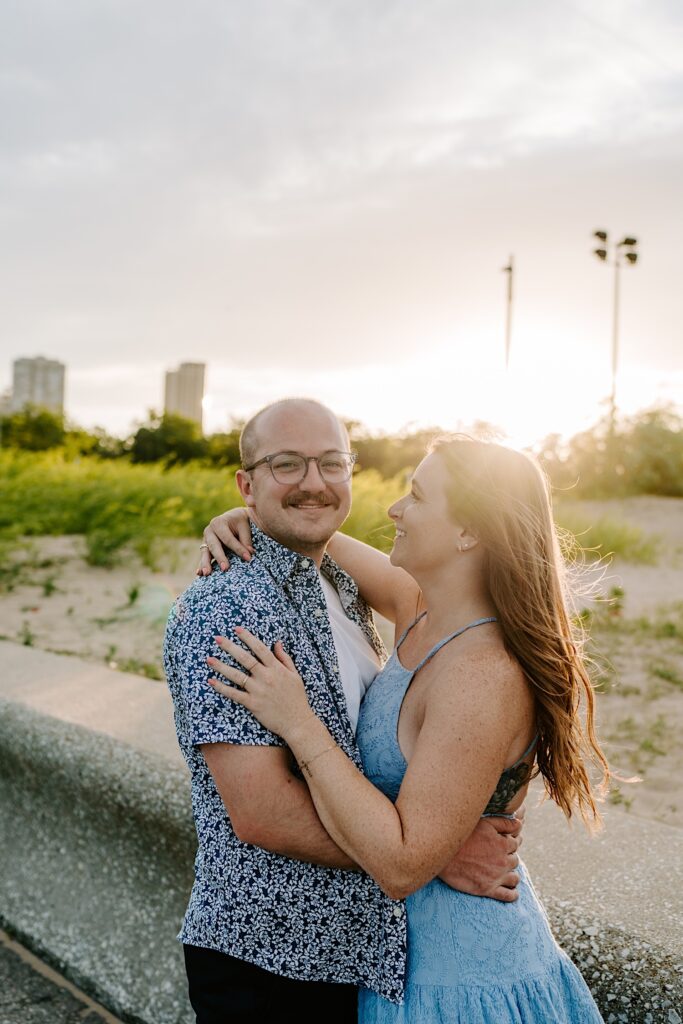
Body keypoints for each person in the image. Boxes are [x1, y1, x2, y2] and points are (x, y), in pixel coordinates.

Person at [203, 431, 607, 1022]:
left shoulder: (480, 674)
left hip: (460, 982)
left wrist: (298, 721)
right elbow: (316, 534)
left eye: (416, 496)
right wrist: (245, 510)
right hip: (399, 965)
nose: (394, 509)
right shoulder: (425, 611)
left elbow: (400, 864)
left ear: (469, 533)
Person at [164, 399, 524, 1024]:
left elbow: (317, 524)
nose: (314, 482)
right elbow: (261, 813)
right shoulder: (224, 609)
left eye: (332, 463)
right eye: (286, 465)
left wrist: (263, 508)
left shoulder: (348, 583)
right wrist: (439, 855)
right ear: (247, 482)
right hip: (273, 955)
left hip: (362, 954)